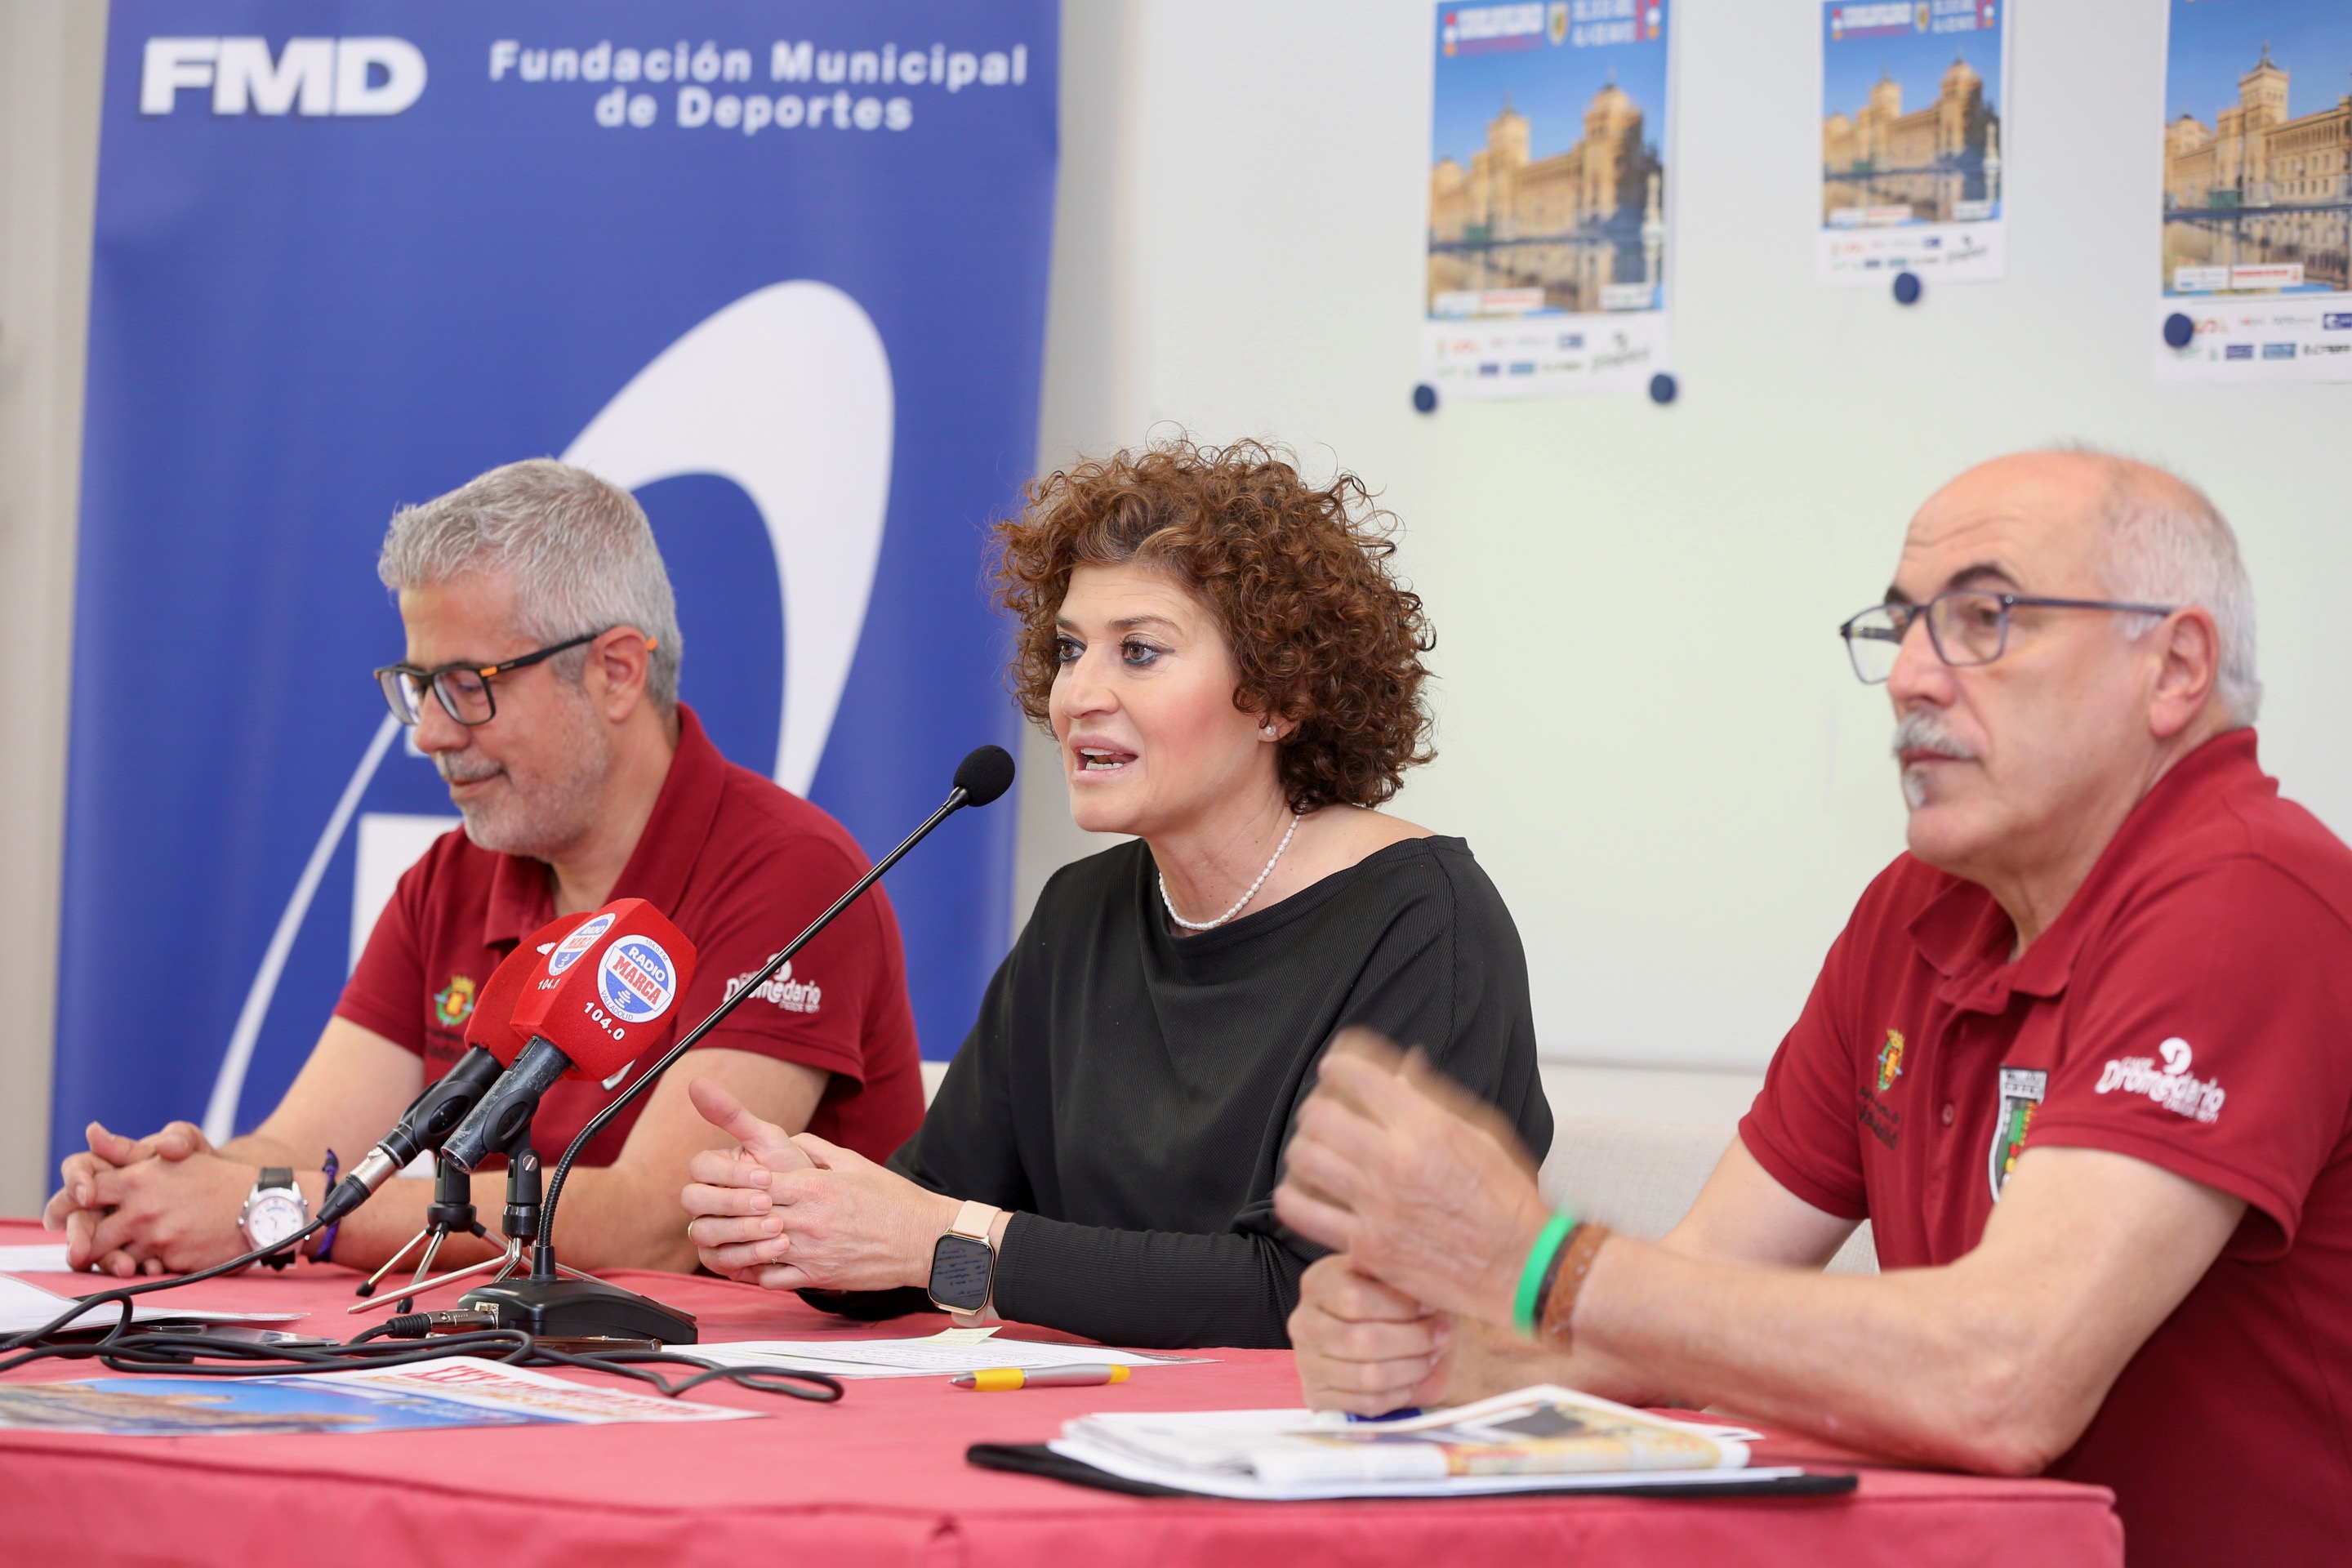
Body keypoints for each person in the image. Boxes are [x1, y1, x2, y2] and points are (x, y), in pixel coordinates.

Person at [1276, 449, 2352, 1566]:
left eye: (1985, 619)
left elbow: (2005, 1380)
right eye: (1904, 627)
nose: (1912, 677)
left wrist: (1539, 1258)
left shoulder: (2248, 895)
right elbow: (1700, 1292)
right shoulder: (1918, 908)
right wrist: (1449, 1357)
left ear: (2174, 666)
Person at [679, 439, 1553, 1348]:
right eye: (1069, 650)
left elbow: (1316, 1293)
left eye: (1139, 651)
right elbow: (932, 1214)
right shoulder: (1080, 913)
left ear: (1280, 697)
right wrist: (804, 1217)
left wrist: (937, 1242)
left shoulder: (1425, 925)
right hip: (1087, 1413)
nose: (1078, 695)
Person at [44, 460, 925, 1279]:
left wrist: (273, 1210)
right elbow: (305, 1148)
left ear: (617, 672)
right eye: (418, 686)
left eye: (469, 686)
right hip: (512, 1367)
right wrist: (163, 1191)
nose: (429, 733)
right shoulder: (451, 877)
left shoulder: (792, 874)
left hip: (750, 1383)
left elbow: (657, 1224)